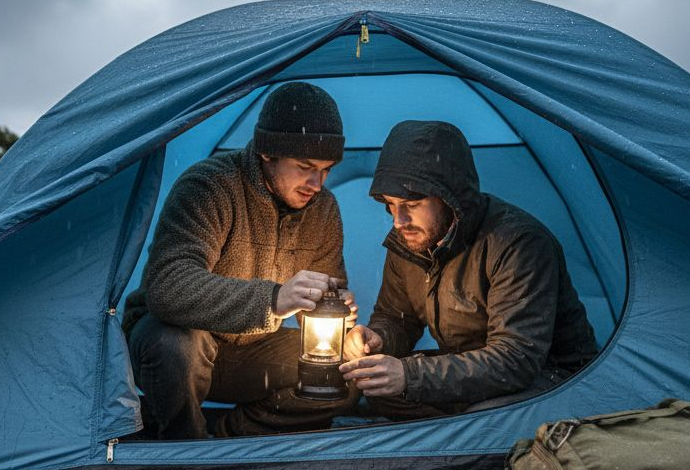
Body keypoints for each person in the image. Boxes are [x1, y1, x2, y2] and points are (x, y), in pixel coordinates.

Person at [122, 82, 358, 439]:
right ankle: (182, 447)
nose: (317, 183)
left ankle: (227, 438)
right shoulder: (209, 186)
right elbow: (168, 286)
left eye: (326, 169)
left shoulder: (323, 210)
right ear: (267, 153)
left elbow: (328, 292)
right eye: (305, 166)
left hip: (249, 355)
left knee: (344, 373)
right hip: (180, 345)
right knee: (174, 345)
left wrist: (336, 312)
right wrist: (275, 299)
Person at [339, 120, 598, 418]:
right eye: (390, 205)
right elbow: (398, 319)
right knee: (381, 391)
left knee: (484, 417)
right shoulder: (410, 240)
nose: (399, 221)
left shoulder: (517, 243)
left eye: (412, 203)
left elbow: (516, 359)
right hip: (469, 369)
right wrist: (378, 338)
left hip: (553, 377)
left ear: (449, 197)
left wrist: (410, 375)